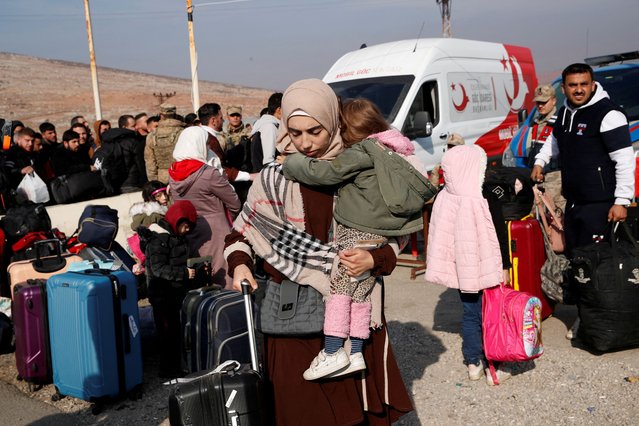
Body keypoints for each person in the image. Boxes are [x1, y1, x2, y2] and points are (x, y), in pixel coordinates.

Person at [224, 79, 413, 424]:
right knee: (300, 411)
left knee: (353, 413)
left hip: (351, 312)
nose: (306, 143)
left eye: (315, 131)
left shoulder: (359, 173)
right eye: (295, 133)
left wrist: (374, 258)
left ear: (333, 124)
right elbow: (241, 235)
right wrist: (239, 265)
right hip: (291, 321)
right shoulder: (272, 180)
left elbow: (395, 237)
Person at [280, 98, 434, 380]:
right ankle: (355, 353)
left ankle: (332, 351)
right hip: (379, 234)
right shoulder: (398, 149)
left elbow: (326, 173)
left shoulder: (364, 149)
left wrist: (292, 164)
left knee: (340, 288)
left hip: (355, 228)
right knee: (360, 293)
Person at [425, 144, 512, 385]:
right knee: (492, 314)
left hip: (463, 271)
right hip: (487, 266)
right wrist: (505, 265)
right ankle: (494, 364)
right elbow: (500, 234)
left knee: (471, 314)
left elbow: (439, 235)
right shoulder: (485, 196)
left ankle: (473, 363)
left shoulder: (445, 197)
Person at [531, 63, 634, 253]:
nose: (579, 90)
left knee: (598, 263)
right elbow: (555, 139)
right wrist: (540, 161)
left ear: (593, 85)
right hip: (573, 203)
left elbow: (624, 160)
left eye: (584, 84)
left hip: (601, 205)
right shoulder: (565, 112)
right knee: (577, 260)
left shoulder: (608, 114)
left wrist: (621, 201)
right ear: (563, 88)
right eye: (573, 85)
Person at [169, 126, 241, 287]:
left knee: (202, 279)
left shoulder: (173, 173)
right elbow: (234, 202)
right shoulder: (208, 173)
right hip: (217, 231)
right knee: (225, 278)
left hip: (189, 231)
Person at [138, 200, 197, 379]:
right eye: (186, 226)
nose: (188, 230)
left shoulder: (175, 237)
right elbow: (158, 269)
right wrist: (184, 273)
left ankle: (175, 366)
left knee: (174, 331)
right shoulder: (159, 239)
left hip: (173, 293)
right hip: (162, 294)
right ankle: (167, 369)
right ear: (178, 221)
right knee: (167, 334)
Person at [526, 84, 565, 211]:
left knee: (555, 211)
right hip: (537, 175)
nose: (540, 106)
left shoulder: (560, 121)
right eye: (537, 103)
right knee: (537, 211)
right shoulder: (535, 122)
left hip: (554, 176)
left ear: (554, 101)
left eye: (544, 102)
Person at [128, 180, 169, 275]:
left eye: (165, 193)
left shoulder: (165, 210)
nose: (164, 198)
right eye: (158, 196)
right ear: (150, 198)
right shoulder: (153, 216)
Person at [145, 103, 185, 182]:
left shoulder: (152, 135)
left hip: (162, 179)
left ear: (161, 115)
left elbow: (150, 162)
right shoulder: (183, 132)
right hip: (181, 176)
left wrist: (154, 182)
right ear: (175, 114)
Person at [250, 92, 282, 167]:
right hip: (265, 175)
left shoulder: (263, 124)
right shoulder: (269, 127)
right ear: (279, 110)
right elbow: (269, 161)